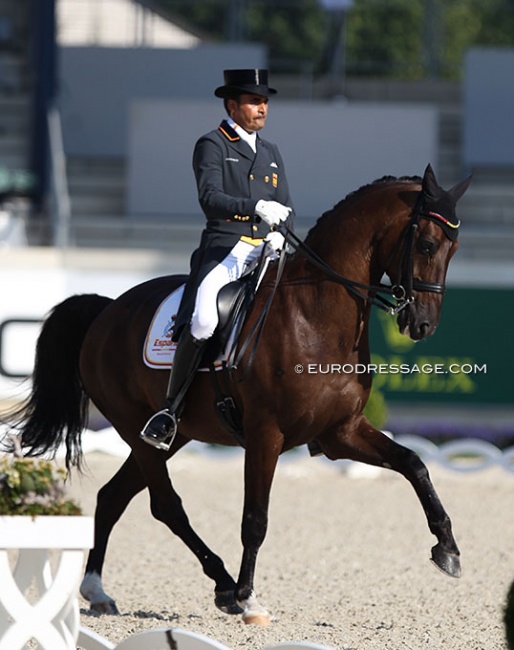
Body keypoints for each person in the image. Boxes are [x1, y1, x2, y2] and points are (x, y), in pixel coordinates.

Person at [140, 68, 295, 450]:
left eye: (265, 101)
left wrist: (280, 232)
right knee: (204, 319)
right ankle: (169, 411)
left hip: (267, 249)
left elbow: (287, 204)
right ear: (232, 104)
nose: (262, 108)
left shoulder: (271, 151)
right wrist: (256, 207)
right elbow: (210, 198)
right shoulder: (213, 144)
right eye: (254, 101)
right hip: (227, 247)